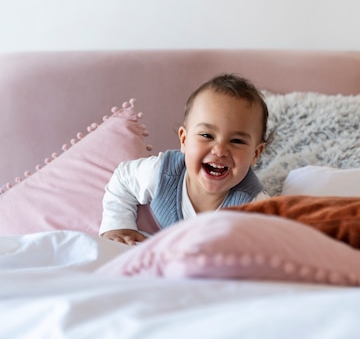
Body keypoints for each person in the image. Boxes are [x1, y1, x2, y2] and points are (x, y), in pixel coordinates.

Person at [99, 73, 271, 245]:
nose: (219, 150)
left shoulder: (254, 205)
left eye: (237, 141)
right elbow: (122, 179)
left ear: (255, 154)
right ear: (184, 140)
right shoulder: (162, 174)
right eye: (206, 135)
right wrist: (118, 226)